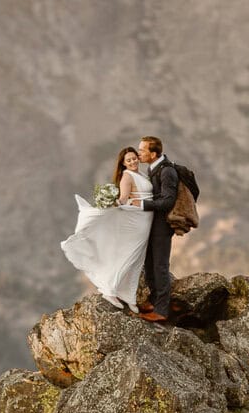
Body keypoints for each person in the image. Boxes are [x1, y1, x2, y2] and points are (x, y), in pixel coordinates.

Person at [60, 145, 153, 311]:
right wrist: (110, 203)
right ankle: (109, 290)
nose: (133, 161)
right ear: (123, 163)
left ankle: (129, 296)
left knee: (137, 259)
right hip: (136, 220)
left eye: (134, 158)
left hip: (146, 218)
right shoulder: (127, 176)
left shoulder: (141, 174)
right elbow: (124, 198)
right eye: (129, 160)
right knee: (129, 256)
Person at [128, 136, 178, 324]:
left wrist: (141, 204)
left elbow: (167, 201)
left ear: (153, 153)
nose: (138, 153)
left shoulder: (167, 172)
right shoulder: (153, 168)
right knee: (149, 264)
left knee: (160, 266)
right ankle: (155, 301)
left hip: (162, 226)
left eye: (142, 151)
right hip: (151, 225)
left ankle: (162, 310)